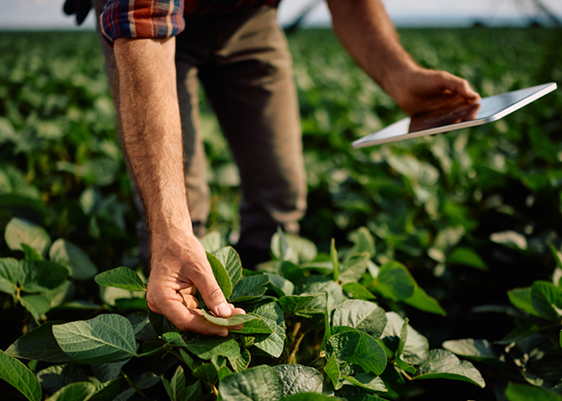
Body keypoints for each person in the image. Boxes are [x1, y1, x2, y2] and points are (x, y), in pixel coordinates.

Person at [65, 0, 480, 337]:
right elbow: (143, 24)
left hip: (249, 16)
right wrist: (172, 227)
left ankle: (262, 328)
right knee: (181, 219)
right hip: (147, 28)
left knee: (279, 194)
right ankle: (180, 341)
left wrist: (400, 75)